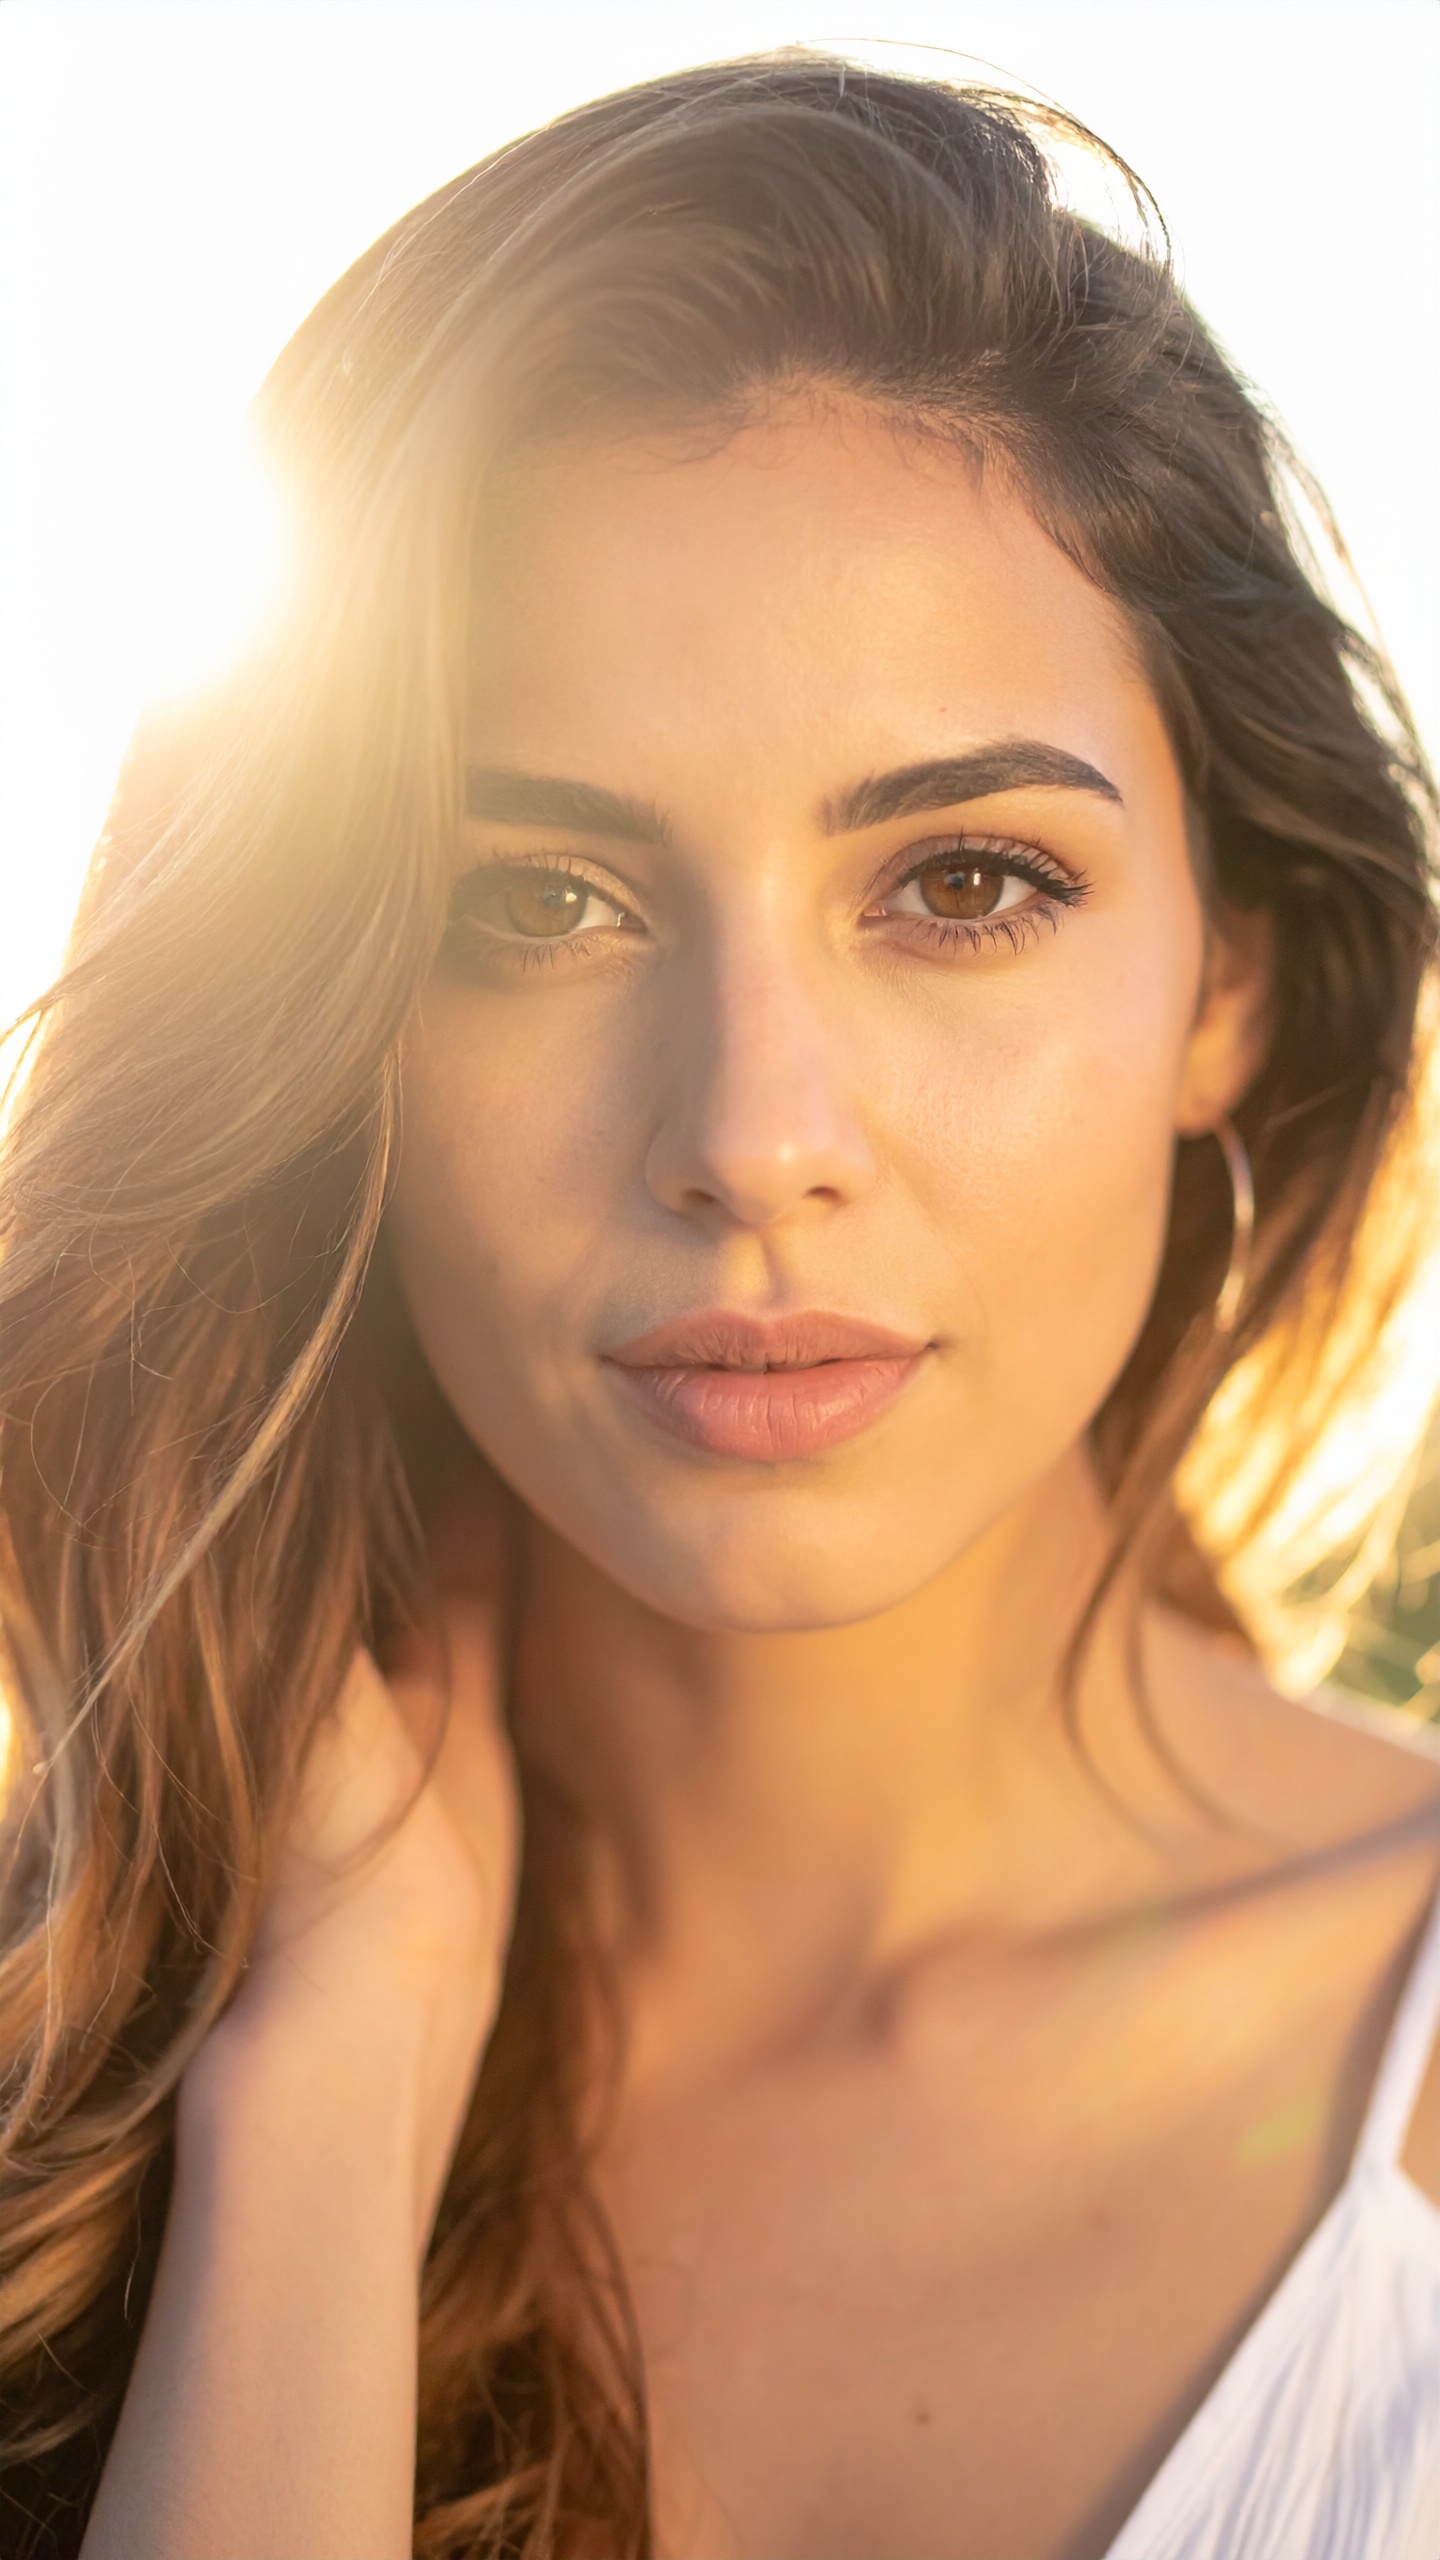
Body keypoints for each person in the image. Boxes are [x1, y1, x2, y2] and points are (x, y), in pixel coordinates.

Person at [1, 51, 1437, 2560]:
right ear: (333, 1021)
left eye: (966, 882)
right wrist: (322, 2098)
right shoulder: (73, 2086)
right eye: (534, 903)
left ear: (1236, 981)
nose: (755, 1130)